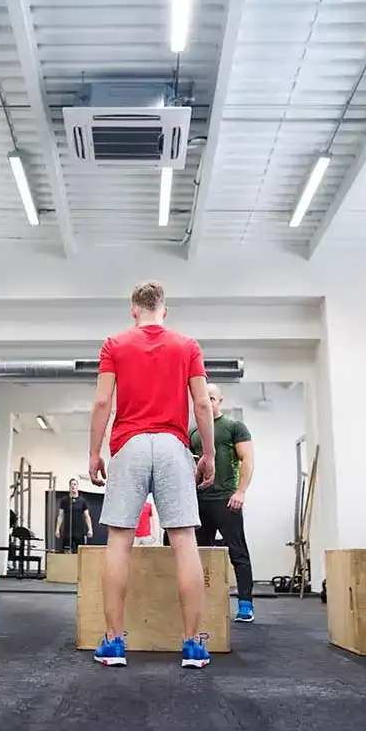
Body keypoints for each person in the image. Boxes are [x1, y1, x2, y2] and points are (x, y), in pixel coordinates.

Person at [88, 280, 216, 669]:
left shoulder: (114, 344)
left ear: (133, 309)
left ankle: (113, 643)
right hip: (173, 445)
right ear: (165, 310)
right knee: (184, 540)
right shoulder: (187, 345)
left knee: (119, 541)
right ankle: (193, 645)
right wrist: (208, 453)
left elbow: (101, 401)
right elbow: (202, 403)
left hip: (129, 444)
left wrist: (94, 452)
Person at [188, 384, 256, 622]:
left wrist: (241, 492)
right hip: (201, 502)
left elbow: (247, 459)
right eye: (204, 398)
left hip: (228, 501)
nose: (209, 401)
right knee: (200, 555)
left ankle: (246, 605)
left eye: (213, 398)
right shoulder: (194, 433)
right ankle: (204, 605)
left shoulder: (234, 427)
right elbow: (191, 468)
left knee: (238, 553)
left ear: (220, 401)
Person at [56, 478, 93, 552]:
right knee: (66, 553)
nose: (73, 486)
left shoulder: (82, 501)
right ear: (69, 487)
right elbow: (60, 516)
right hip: (67, 532)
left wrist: (90, 529)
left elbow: (87, 516)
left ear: (77, 486)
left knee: (80, 554)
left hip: (79, 533)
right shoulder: (64, 501)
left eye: (75, 484)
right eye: (71, 485)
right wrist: (57, 529)